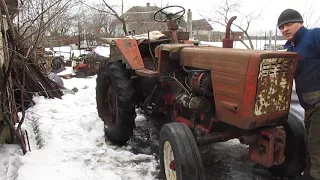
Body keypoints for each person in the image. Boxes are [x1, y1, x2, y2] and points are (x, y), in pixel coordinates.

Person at [277, 9, 320, 180]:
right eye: (281, 27)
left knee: (317, 147)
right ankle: (309, 174)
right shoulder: (291, 49)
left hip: (318, 103)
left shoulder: (314, 36)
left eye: (288, 24)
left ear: (300, 23)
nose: (284, 29)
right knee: (311, 143)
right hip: (309, 106)